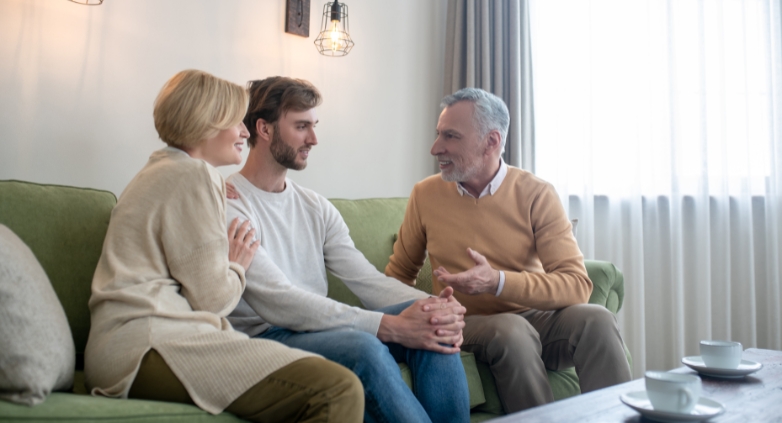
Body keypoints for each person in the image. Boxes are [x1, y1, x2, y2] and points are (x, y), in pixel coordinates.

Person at [84, 69, 363, 423]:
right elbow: (213, 300)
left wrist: (212, 191)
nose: (245, 132)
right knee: (337, 388)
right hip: (147, 345)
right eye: (236, 122)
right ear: (207, 123)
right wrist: (236, 264)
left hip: (123, 346)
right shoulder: (192, 175)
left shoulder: (166, 170)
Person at [223, 76, 471, 423]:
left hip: (318, 329)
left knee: (433, 318)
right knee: (365, 347)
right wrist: (388, 326)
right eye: (301, 126)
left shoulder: (315, 207)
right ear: (263, 129)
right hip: (266, 337)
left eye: (314, 126)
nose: (314, 139)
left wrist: (438, 305)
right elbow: (279, 300)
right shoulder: (230, 204)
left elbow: (365, 279)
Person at [385, 87, 632, 413]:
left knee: (596, 319)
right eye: (438, 134)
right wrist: (404, 320)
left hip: (535, 317)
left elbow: (577, 285)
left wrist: (497, 281)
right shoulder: (426, 194)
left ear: (491, 142)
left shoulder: (535, 193)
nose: (436, 148)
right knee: (512, 330)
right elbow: (399, 275)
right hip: (468, 321)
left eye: (451, 136)